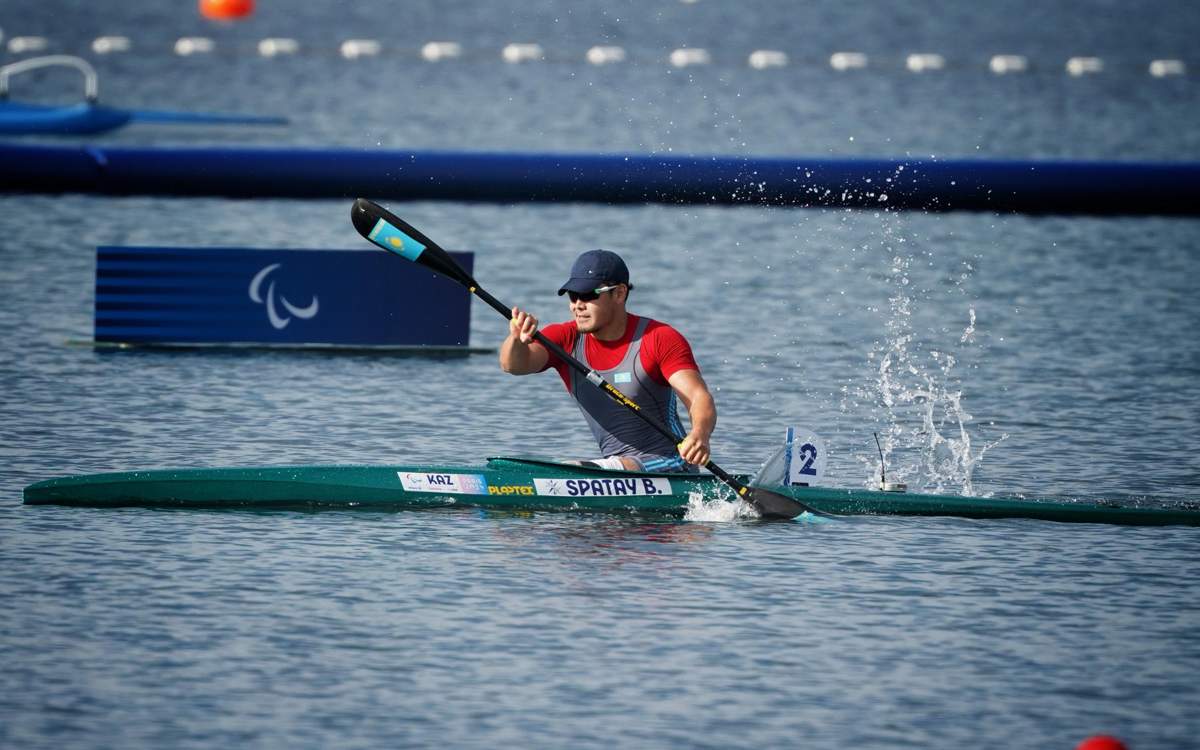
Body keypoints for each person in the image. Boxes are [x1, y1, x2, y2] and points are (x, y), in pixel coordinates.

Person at [500, 249, 716, 473]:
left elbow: (698, 397)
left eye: (588, 295)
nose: (578, 305)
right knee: (574, 469)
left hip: (674, 463)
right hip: (615, 468)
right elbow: (513, 366)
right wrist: (516, 339)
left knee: (575, 469)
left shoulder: (659, 338)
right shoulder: (565, 338)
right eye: (573, 296)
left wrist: (699, 434)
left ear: (620, 293)